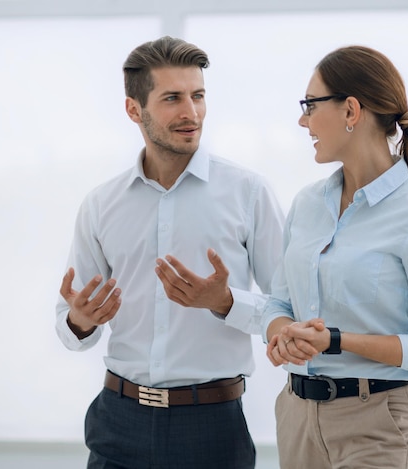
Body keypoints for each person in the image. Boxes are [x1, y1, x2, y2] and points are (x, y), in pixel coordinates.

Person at [55, 36, 284, 469]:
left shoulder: (249, 193)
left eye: (198, 96)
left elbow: (291, 309)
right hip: (117, 420)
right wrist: (81, 321)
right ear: (133, 109)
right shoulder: (101, 204)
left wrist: (225, 301)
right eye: (173, 98)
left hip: (212, 426)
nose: (191, 112)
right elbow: (68, 328)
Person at [262, 45, 408, 469]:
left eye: (310, 105)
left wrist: (336, 341)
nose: (303, 120)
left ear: (351, 111)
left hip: (379, 422)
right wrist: (284, 334)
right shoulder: (306, 204)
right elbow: (278, 304)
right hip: (297, 416)